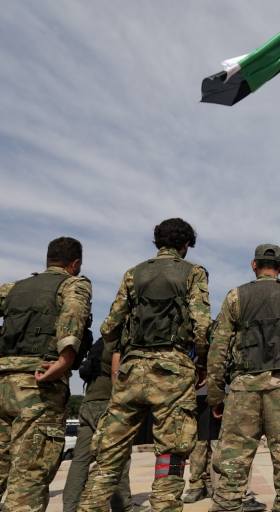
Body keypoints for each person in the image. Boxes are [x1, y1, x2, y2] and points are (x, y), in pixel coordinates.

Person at [0, 236, 92, 512]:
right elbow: (74, 313)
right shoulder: (74, 283)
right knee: (28, 481)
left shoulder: (14, 287)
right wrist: (65, 359)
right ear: (76, 264)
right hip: (37, 385)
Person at [79, 218, 210, 512]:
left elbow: (110, 327)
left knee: (109, 453)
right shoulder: (193, 273)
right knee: (171, 452)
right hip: (173, 372)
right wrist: (201, 363)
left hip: (131, 370)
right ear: (186, 245)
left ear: (157, 242)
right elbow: (202, 327)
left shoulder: (133, 274)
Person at [206, 244, 280, 512]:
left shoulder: (235, 296)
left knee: (231, 473)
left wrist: (215, 397)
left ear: (253, 265)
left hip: (242, 391)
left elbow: (217, 351)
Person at [62, 338, 134, 512]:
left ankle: (70, 508)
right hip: (109, 404)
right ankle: (123, 506)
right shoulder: (120, 342)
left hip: (88, 404)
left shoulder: (97, 345)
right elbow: (119, 374)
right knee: (119, 458)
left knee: (80, 460)